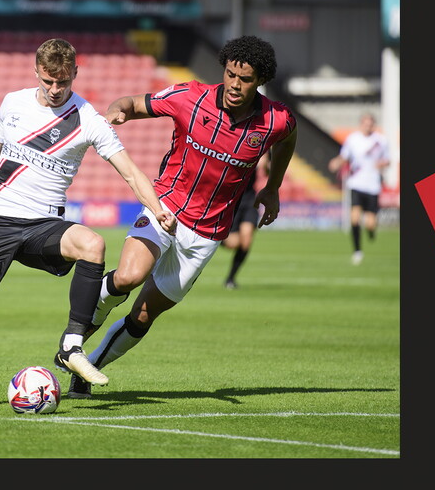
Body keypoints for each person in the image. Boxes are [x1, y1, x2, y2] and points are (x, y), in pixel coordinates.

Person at [0, 38, 177, 408]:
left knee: (93, 243)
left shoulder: (88, 121)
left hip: (44, 224)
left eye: (62, 82)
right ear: (36, 73)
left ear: (75, 75)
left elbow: (130, 173)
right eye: (48, 81)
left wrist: (157, 208)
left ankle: (71, 345)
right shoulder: (12, 103)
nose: (54, 89)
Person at [68, 35, 298, 399]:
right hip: (165, 208)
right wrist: (119, 110)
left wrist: (273, 186)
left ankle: (88, 366)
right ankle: (73, 340)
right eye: (230, 74)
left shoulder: (275, 120)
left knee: (143, 316)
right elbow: (131, 102)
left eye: (246, 78)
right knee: (128, 275)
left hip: (207, 235)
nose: (235, 85)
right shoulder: (191, 97)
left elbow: (289, 137)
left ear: (260, 80)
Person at [327, 112, 390, 265]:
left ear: (373, 125)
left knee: (370, 223)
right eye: (365, 123)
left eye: (370, 124)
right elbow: (345, 156)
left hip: (372, 185)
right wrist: (336, 163)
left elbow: (387, 160)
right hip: (356, 183)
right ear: (361, 124)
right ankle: (357, 251)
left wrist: (382, 164)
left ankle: (371, 231)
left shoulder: (380, 141)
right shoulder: (353, 139)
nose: (368, 126)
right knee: (354, 218)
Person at [221, 153, 270, 289]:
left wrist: (265, 163)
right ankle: (216, 237)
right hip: (232, 198)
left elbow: (267, 172)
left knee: (246, 240)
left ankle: (230, 278)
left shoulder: (261, 145)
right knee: (232, 243)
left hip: (250, 199)